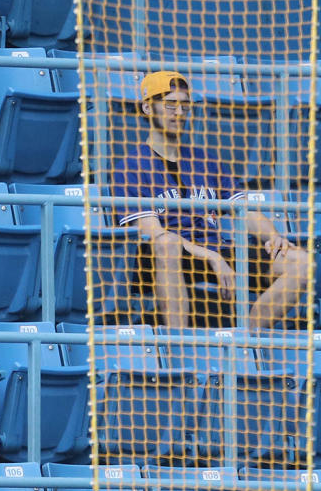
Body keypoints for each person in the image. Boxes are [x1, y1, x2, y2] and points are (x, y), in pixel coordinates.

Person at [111, 70, 307, 329]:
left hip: (217, 250)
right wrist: (212, 258)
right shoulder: (130, 166)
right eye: (170, 104)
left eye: (185, 105)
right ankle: (177, 349)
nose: (179, 113)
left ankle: (246, 338)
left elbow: (243, 210)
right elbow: (153, 234)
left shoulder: (206, 159)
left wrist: (273, 237)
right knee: (167, 243)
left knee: (301, 261)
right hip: (168, 258)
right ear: (148, 107)